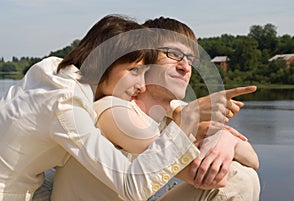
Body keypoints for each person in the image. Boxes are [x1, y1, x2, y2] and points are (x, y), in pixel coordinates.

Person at [50, 17, 260, 201]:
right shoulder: (113, 109)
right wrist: (197, 124)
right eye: (173, 54)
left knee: (245, 176)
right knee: (236, 177)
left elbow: (253, 160)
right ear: (146, 59)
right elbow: (200, 173)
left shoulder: (173, 113)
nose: (185, 67)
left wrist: (226, 139)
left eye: (190, 59)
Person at [0, 15, 204, 201]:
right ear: (105, 63)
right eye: (135, 71)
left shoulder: (57, 70)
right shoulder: (66, 104)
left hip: (33, 185)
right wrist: (184, 125)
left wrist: (177, 108)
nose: (142, 85)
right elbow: (130, 184)